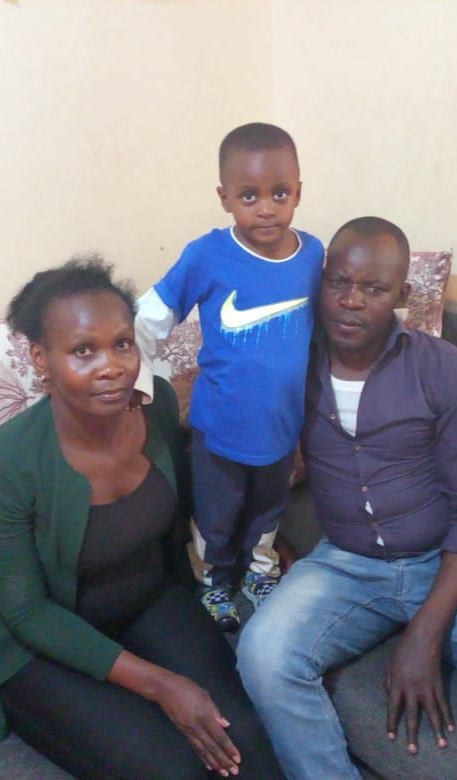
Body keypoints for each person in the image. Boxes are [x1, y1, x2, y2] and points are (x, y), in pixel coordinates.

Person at [236, 217, 457, 779]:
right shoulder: (292, 364)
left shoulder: (442, 368)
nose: (350, 302)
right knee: (261, 652)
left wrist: (425, 633)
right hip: (347, 563)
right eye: (339, 283)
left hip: (450, 559)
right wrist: (260, 542)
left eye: (373, 289)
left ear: (400, 297)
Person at [0, 257, 281, 779]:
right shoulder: (9, 463)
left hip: (148, 600)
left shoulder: (153, 409)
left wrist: (259, 534)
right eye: (83, 350)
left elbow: (189, 505)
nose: (110, 366)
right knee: (172, 769)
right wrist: (161, 684)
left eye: (122, 343)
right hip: (41, 641)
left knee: (244, 736)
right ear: (41, 359)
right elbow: (25, 613)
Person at [135, 122, 324, 631]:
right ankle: (214, 582)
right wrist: (136, 385)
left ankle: (260, 572)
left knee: (268, 511)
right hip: (219, 431)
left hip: (283, 430)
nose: (266, 207)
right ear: (224, 198)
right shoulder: (208, 255)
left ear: (299, 192)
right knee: (216, 515)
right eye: (249, 195)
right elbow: (149, 316)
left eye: (279, 193)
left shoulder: (314, 256)